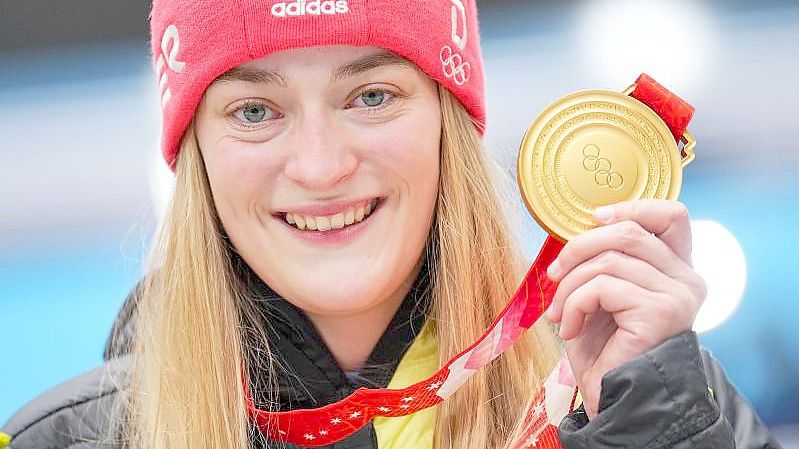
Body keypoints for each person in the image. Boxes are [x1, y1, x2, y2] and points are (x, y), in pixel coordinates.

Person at [0, 0, 783, 448]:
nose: (319, 164)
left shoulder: (640, 400)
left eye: (370, 95)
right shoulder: (67, 441)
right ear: (195, 153)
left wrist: (651, 419)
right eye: (254, 110)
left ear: (449, 121)